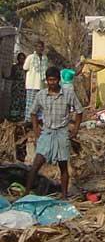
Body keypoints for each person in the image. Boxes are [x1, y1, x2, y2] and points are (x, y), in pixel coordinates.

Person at [25, 67, 83, 199]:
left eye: (55, 80)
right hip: (47, 132)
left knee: (63, 165)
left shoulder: (68, 94)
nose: (52, 83)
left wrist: (75, 129)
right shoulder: (41, 95)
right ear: (46, 81)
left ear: (59, 80)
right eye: (50, 80)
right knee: (36, 164)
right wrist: (36, 128)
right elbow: (33, 113)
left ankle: (64, 196)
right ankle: (26, 193)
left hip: (62, 132)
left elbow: (79, 111)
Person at [23, 41, 48, 122]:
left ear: (43, 48)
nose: (40, 48)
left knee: (41, 103)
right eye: (38, 46)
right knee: (30, 103)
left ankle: (39, 119)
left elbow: (46, 70)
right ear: (35, 48)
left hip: (42, 85)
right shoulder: (30, 57)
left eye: (41, 47)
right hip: (32, 84)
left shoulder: (45, 58)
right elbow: (25, 68)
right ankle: (28, 119)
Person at [5, 52, 26, 121]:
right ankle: (14, 116)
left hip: (23, 86)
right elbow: (12, 76)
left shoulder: (25, 68)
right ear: (18, 59)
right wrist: (5, 77)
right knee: (15, 101)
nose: (22, 60)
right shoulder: (15, 67)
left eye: (23, 58)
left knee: (22, 101)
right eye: (20, 58)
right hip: (16, 86)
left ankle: (21, 116)